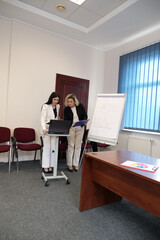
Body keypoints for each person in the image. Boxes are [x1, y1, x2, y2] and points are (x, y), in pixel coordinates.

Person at [64, 94, 88, 172]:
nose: (69, 103)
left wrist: (85, 121)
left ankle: (76, 164)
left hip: (80, 127)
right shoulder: (66, 109)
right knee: (71, 145)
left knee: (78, 146)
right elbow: (66, 120)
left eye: (71, 101)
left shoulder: (80, 106)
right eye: (68, 101)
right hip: (71, 128)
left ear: (74, 101)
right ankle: (69, 164)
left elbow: (85, 115)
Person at [40, 92, 60, 173]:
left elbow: (56, 118)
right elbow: (42, 118)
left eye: (57, 100)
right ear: (51, 99)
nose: (56, 101)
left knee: (53, 148)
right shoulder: (45, 106)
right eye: (54, 99)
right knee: (47, 147)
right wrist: (44, 128)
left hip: (54, 130)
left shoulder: (58, 106)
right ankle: (45, 166)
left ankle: (52, 165)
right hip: (46, 130)